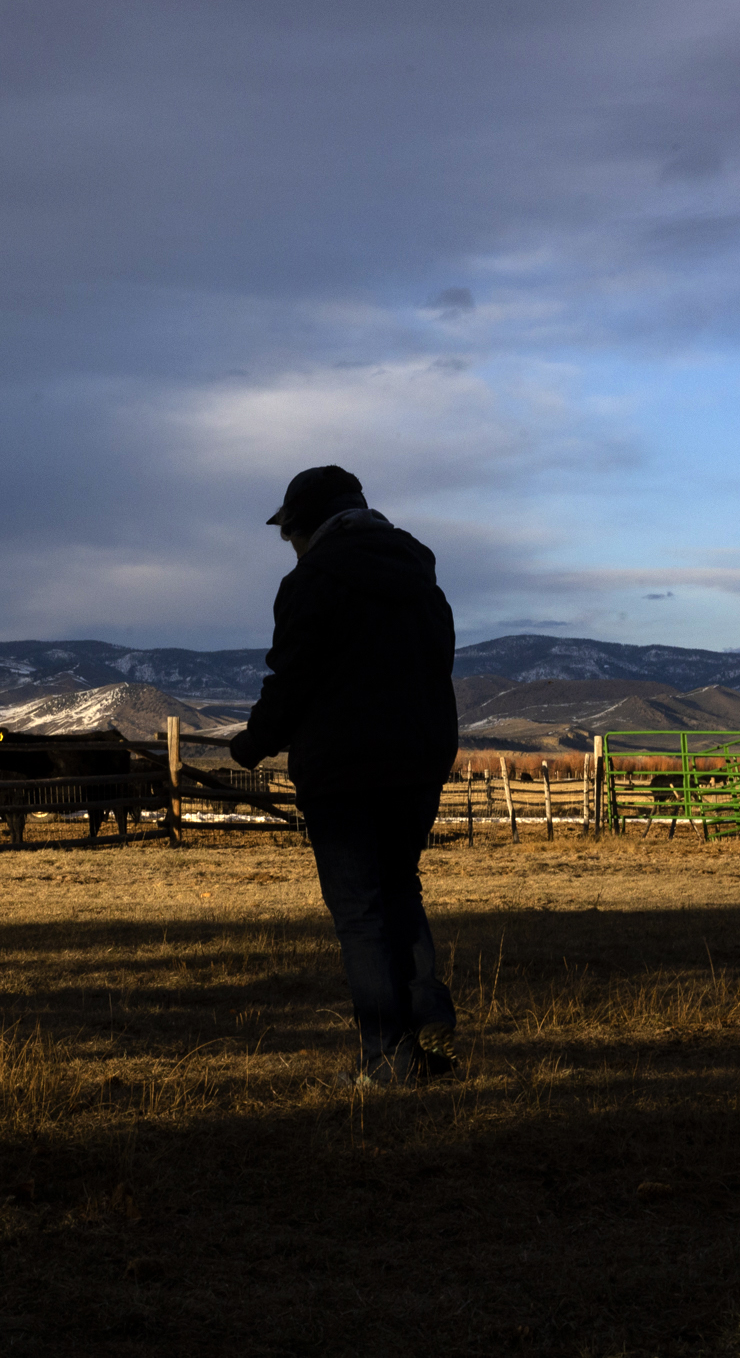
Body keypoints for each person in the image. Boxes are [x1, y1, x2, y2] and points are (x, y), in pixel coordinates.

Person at [227, 465, 460, 1084]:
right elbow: (437, 666)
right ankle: (428, 1024)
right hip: (418, 764)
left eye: (290, 533)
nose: (290, 545)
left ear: (307, 526)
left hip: (344, 771)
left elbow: (294, 677)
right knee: (400, 890)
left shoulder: (311, 581)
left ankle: (387, 1061)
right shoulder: (419, 576)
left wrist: (253, 742)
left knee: (360, 913)